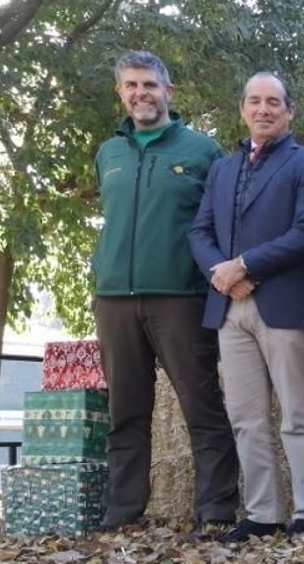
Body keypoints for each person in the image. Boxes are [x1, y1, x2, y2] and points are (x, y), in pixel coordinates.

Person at [93, 50, 240, 532]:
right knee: (126, 413)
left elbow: (222, 223)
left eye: (150, 85)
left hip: (180, 296)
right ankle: (122, 514)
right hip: (114, 298)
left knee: (201, 405)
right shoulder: (108, 153)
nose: (141, 94)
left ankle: (216, 509)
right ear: (120, 92)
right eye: (131, 85)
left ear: (168, 92)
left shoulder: (203, 151)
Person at [189, 72, 304, 542]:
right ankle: (263, 512)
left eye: (273, 102)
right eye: (254, 101)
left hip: (283, 306)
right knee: (247, 418)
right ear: (243, 109)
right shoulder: (222, 169)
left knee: (298, 414)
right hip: (229, 309)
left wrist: (246, 266)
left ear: (290, 111)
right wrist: (222, 274)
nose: (263, 109)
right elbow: (199, 232)